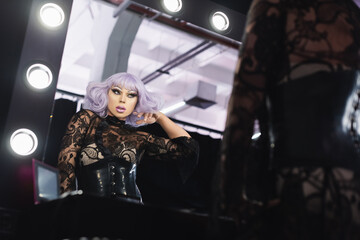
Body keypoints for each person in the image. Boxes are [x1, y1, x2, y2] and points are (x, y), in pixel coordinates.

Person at [213, 0, 360, 239]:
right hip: (351, 192)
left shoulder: (275, 5)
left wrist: (231, 198)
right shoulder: (352, 14)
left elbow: (243, 105)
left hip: (294, 183)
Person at [57, 72, 199, 203]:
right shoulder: (86, 119)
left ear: (138, 101)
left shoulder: (139, 137)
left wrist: (160, 117)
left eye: (131, 95)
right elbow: (66, 167)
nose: (123, 100)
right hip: (90, 210)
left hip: (131, 213)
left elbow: (188, 149)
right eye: (116, 91)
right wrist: (67, 207)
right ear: (106, 93)